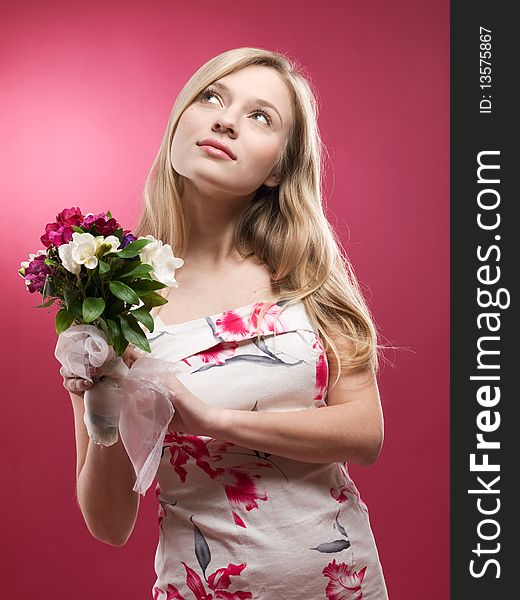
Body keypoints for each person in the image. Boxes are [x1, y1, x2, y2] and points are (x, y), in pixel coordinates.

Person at [63, 47, 389, 599]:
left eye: (260, 116)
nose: (225, 119)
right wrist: (104, 405)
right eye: (211, 96)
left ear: (279, 167)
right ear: (178, 123)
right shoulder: (107, 293)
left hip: (341, 583)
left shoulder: (307, 274)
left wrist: (209, 417)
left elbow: (365, 433)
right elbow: (110, 524)